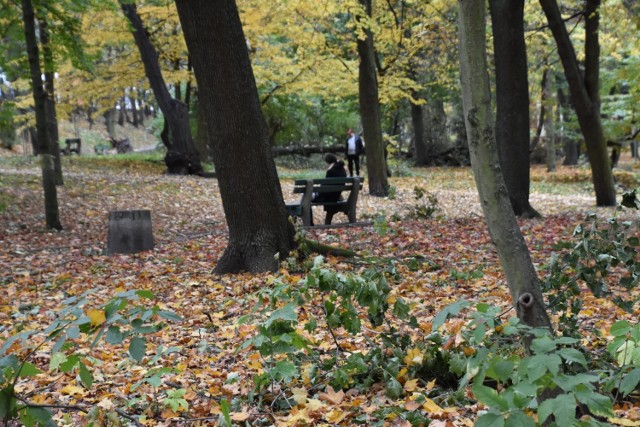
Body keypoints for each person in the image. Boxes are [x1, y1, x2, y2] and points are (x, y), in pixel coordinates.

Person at [311, 153, 347, 225]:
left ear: (328, 162)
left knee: (306, 197)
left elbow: (325, 185)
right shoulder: (342, 169)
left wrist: (317, 189)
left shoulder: (331, 171)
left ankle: (309, 222)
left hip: (329, 197)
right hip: (336, 195)